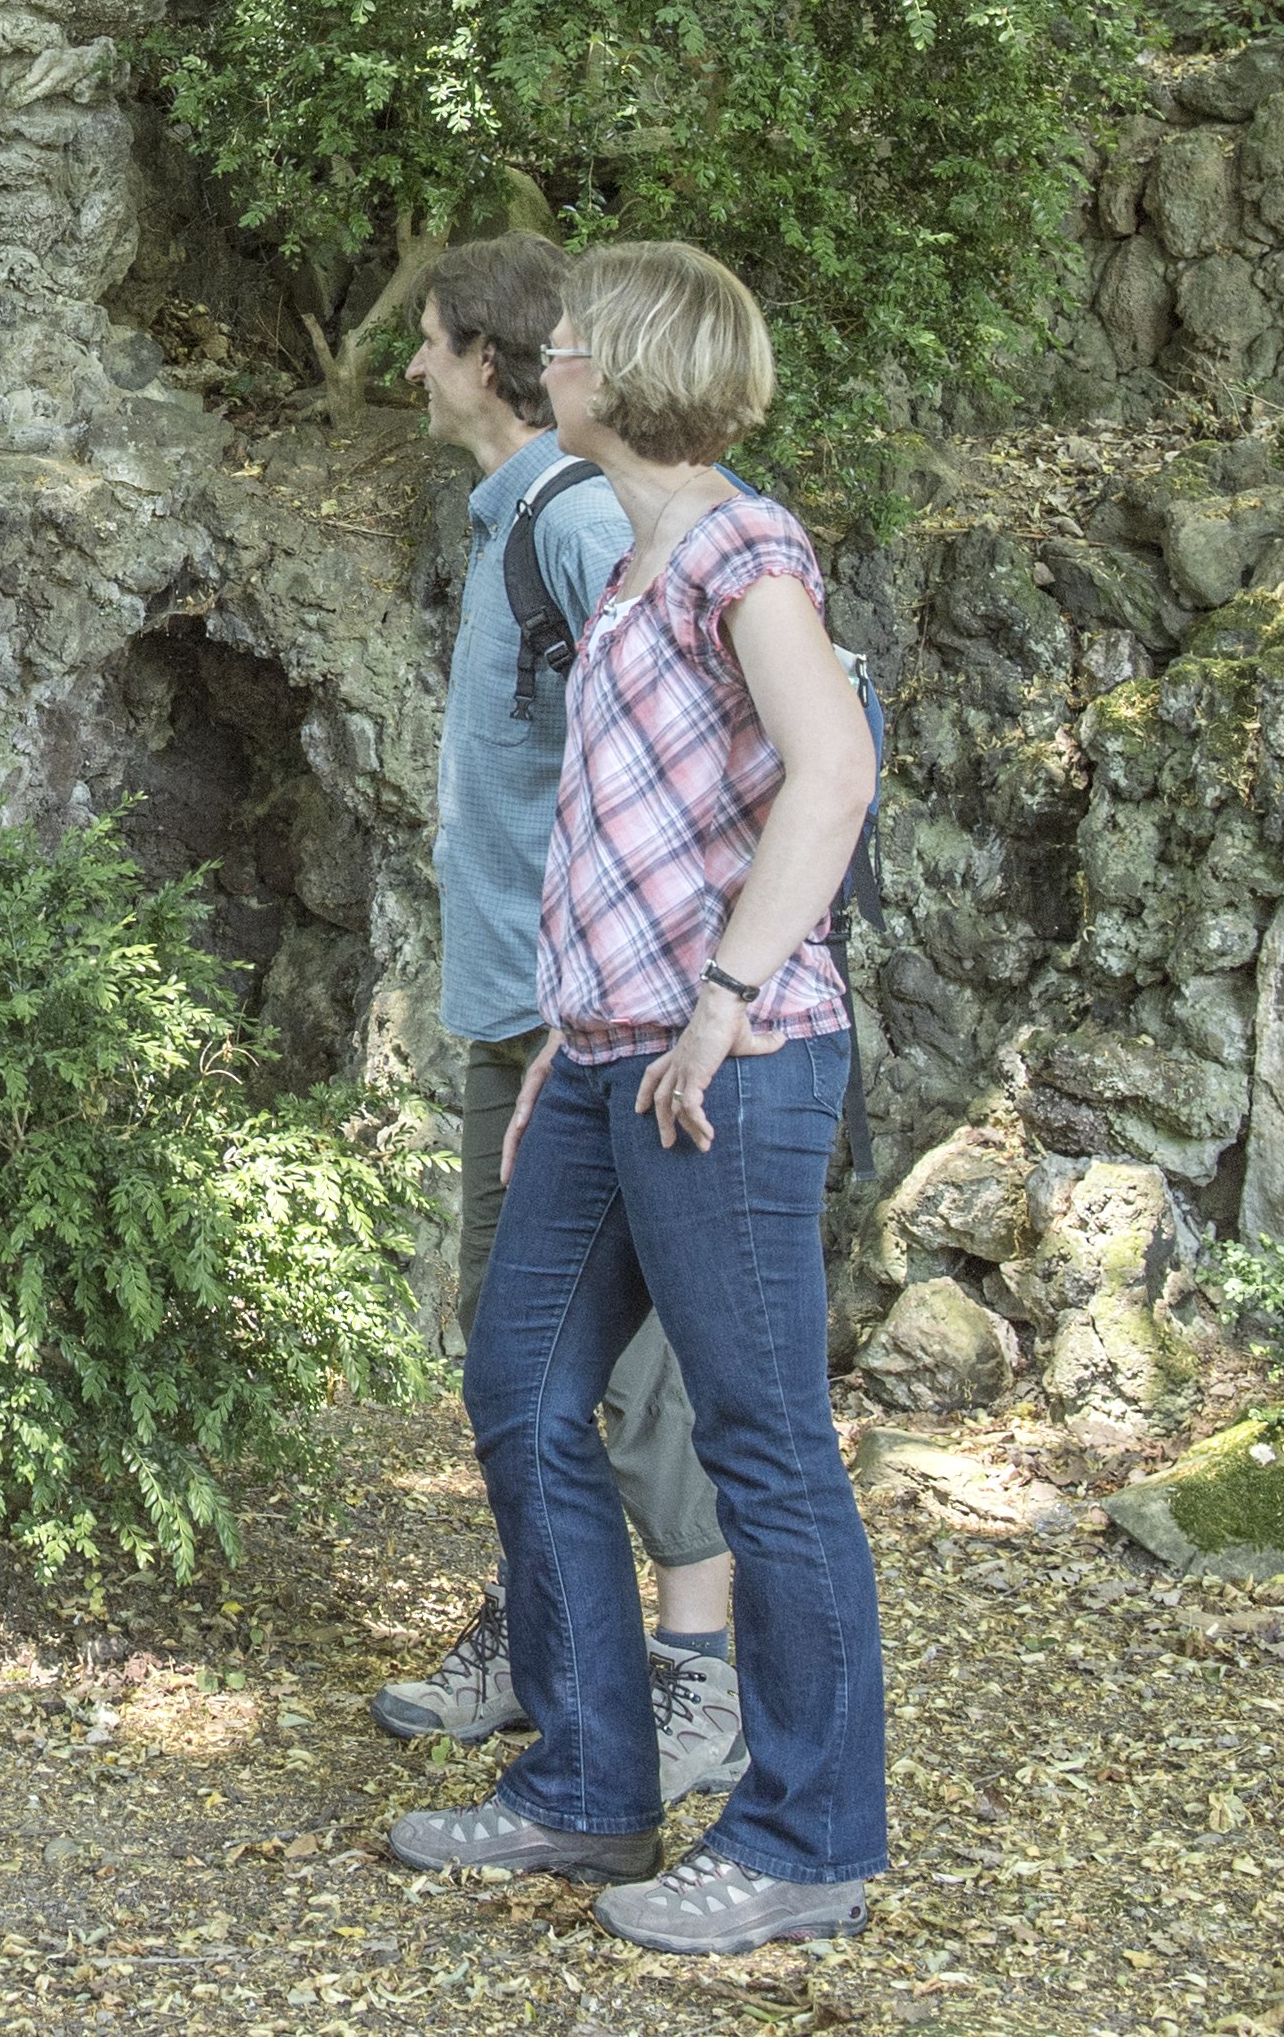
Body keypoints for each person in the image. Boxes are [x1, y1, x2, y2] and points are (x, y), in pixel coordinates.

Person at [386, 240, 889, 1956]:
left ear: (627, 370)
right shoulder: (632, 561)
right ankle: (589, 1784)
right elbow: (621, 838)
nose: (553, 358)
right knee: (521, 1387)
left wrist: (719, 1002)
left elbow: (832, 773)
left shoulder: (742, 550)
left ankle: (806, 1839)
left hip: (727, 1071)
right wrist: (568, 1030)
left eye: (576, 341)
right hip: (602, 1057)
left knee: (764, 1448)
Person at [371, 238, 745, 1811]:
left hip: (585, 1023)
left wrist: (683, 998)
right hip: (523, 1015)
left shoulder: (581, 521)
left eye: (429, 340)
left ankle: (697, 1672)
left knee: (621, 1362)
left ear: (490, 361)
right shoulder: (518, 521)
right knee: (521, 1363)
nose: (410, 367)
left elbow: (716, 747)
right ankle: (546, 1639)